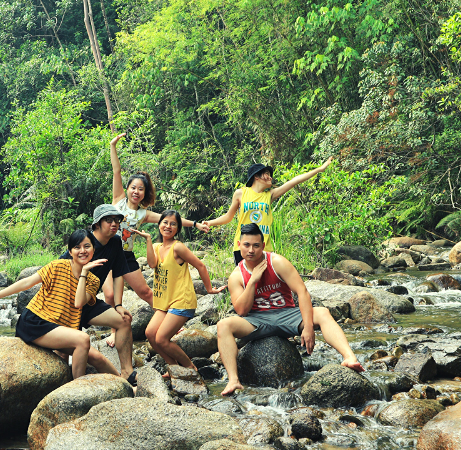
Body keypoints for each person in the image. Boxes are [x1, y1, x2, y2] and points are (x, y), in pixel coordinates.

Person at [216, 224, 364, 396]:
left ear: (263, 246)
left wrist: (308, 327)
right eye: (246, 245)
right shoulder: (236, 276)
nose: (251, 250)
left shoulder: (277, 262)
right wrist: (253, 281)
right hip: (257, 321)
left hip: (287, 315)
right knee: (223, 325)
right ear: (239, 244)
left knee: (323, 312)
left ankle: (349, 357)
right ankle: (233, 380)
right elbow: (241, 310)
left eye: (256, 245)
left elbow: (302, 291)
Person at [0, 229, 132, 382]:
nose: (82, 251)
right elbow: (26, 282)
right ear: (70, 252)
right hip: (35, 322)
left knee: (98, 358)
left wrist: (84, 272)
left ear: (94, 249)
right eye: (77, 247)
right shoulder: (57, 266)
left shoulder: (92, 280)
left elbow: (78, 303)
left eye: (87, 246)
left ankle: (126, 385)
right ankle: (79, 388)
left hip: (59, 327)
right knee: (83, 339)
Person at [105, 133, 208, 346]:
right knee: (109, 295)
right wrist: (113, 146)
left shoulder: (144, 214)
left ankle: (171, 319)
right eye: (133, 187)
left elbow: (171, 220)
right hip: (107, 253)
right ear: (128, 189)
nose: (136, 191)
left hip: (125, 256)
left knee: (144, 291)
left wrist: (196, 224)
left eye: (140, 189)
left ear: (144, 193)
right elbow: (117, 171)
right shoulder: (117, 201)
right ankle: (114, 331)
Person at [132, 210, 226, 376]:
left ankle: (189, 367)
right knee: (149, 334)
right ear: (159, 224)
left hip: (181, 301)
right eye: (165, 222)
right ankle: (172, 366)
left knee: (161, 338)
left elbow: (201, 266)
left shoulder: (178, 247)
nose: (168, 226)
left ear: (178, 228)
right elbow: (152, 264)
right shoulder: (156, 246)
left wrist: (209, 289)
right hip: (164, 302)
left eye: (173, 224)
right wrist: (147, 240)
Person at [202, 157, 333, 265]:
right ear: (256, 177)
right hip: (244, 245)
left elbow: (294, 181)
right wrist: (210, 223)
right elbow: (228, 216)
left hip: (263, 247)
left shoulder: (269, 195)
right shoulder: (241, 193)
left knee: (264, 285)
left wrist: (320, 169)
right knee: (245, 283)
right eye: (267, 174)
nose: (270, 177)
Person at [59, 204, 137, 381]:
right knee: (63, 351)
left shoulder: (116, 242)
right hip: (69, 305)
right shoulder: (83, 245)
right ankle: (63, 384)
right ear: (96, 225)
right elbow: (58, 273)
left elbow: (118, 274)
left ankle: (127, 372)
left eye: (116, 220)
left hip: (90, 302)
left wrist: (118, 305)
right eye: (108, 220)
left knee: (124, 321)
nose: (114, 224)